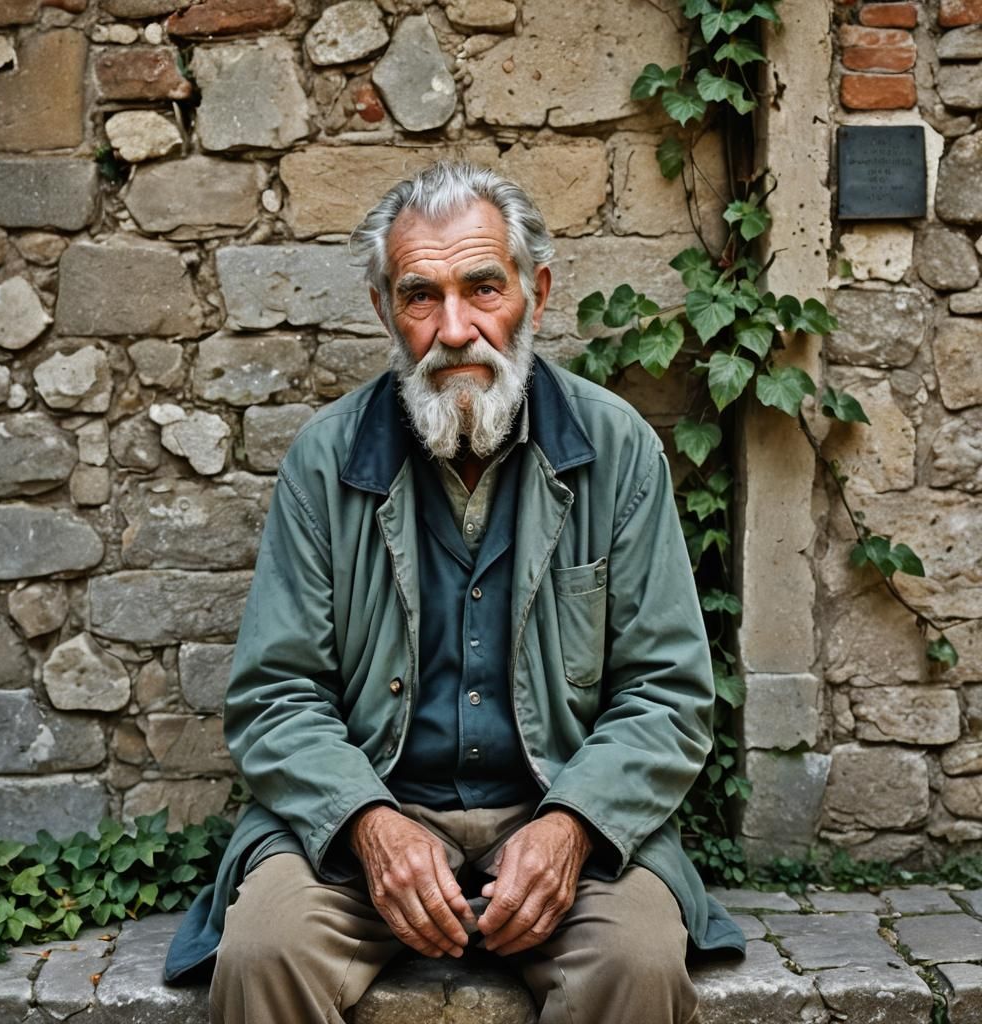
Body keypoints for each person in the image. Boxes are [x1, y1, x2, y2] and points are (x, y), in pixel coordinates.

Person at [165, 161, 745, 1023]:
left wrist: (571, 825)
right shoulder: (326, 462)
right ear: (383, 312)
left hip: (563, 816)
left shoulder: (616, 450)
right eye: (420, 296)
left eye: (482, 288)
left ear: (535, 292)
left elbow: (667, 693)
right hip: (369, 825)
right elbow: (276, 695)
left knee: (634, 963)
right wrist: (367, 822)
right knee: (263, 954)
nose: (455, 329)